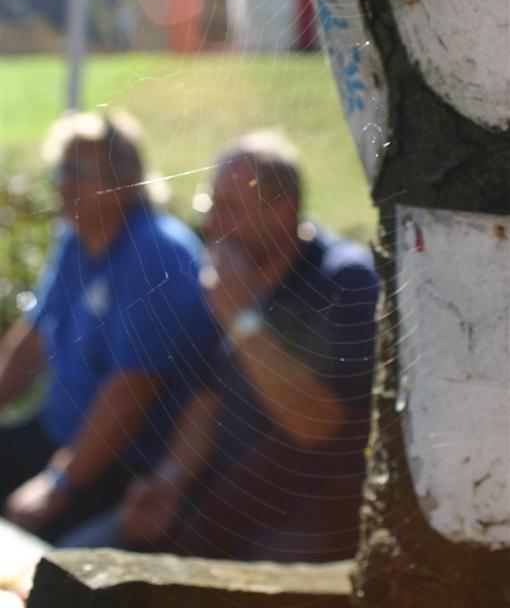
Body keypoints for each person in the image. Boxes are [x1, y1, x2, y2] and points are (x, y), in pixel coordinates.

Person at [62, 130, 378, 561]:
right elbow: (208, 398)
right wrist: (170, 479)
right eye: (210, 207)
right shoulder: (232, 273)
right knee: (71, 562)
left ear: (282, 211)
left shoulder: (345, 280)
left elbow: (318, 426)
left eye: (229, 209)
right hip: (213, 500)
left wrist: (243, 319)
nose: (212, 225)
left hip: (301, 523)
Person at [0, 110, 213, 543]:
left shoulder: (156, 253)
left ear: (124, 179)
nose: (63, 183)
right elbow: (33, 340)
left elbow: (134, 389)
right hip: (56, 435)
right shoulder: (75, 239)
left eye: (79, 171)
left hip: (122, 465)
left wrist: (59, 485)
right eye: (61, 169)